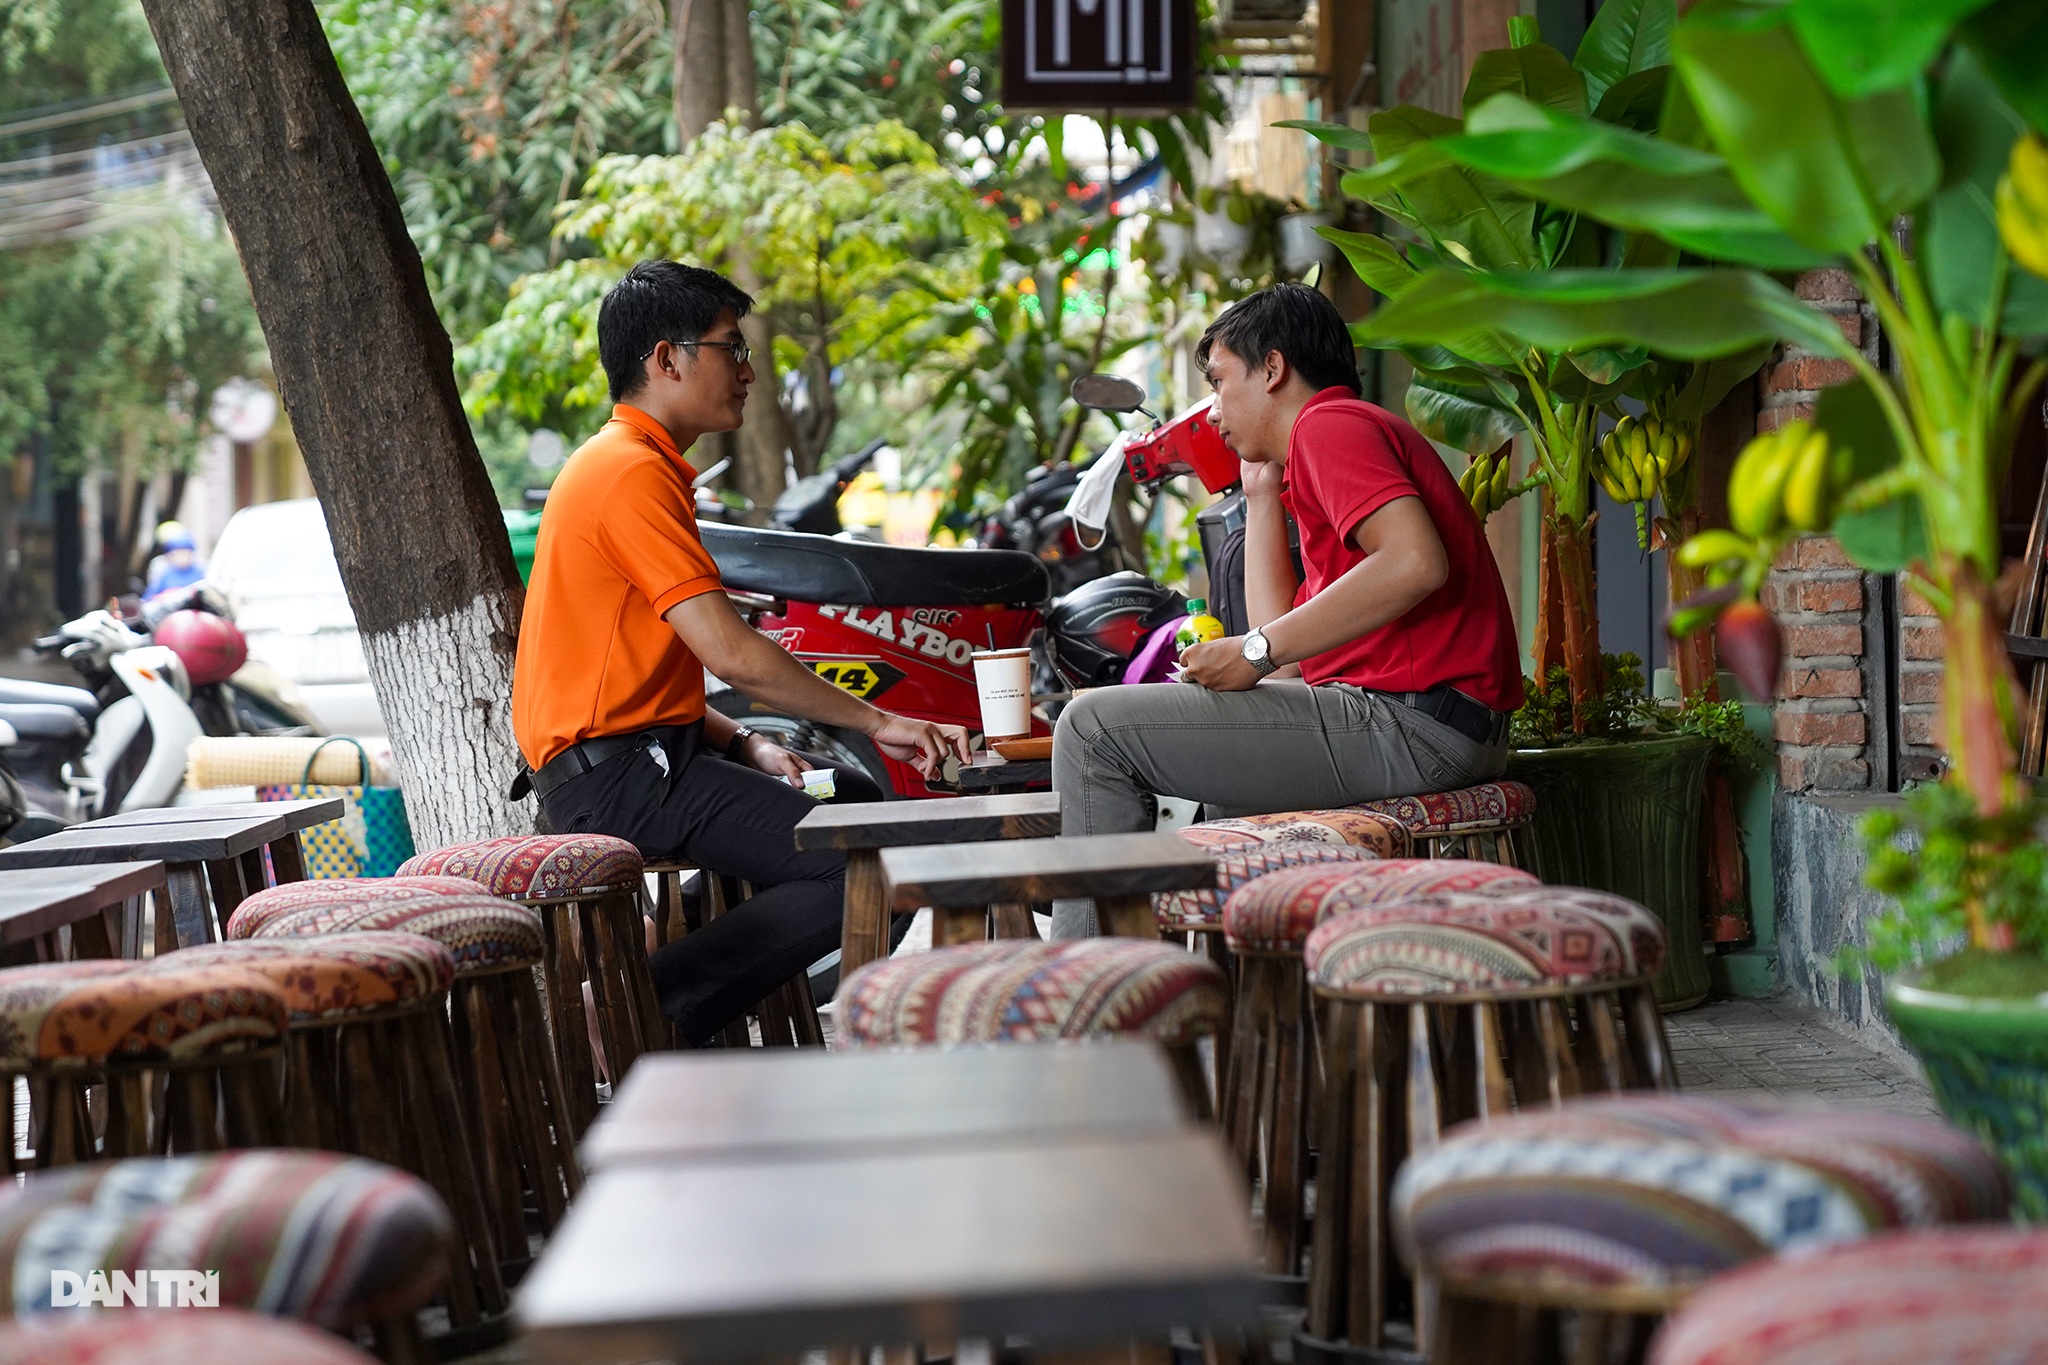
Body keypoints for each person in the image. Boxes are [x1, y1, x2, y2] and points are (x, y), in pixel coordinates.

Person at [510, 260, 970, 1045]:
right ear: (667, 359)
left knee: (856, 804)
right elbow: (736, 657)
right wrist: (879, 718)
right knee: (868, 864)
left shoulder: (640, 466)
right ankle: (634, 1014)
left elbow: (650, 678)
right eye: (731, 348)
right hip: (621, 781)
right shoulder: (626, 473)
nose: (749, 370)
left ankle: (647, 975)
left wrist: (748, 740)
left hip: (655, 759)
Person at [1049, 284, 1523, 938]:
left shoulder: (1333, 425)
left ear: (1272, 369)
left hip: (1414, 726)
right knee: (1213, 793)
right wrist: (1262, 493)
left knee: (1091, 729)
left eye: (1218, 383)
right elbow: (1288, 668)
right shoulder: (1319, 446)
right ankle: (1228, 996)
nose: (1213, 412)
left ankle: (1087, 997)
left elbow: (1417, 563)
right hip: (1431, 726)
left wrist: (1252, 649)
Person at [143, 521, 206, 601]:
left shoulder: (201, 573)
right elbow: (149, 598)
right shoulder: (165, 575)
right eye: (177, 554)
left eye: (184, 552)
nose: (181, 557)